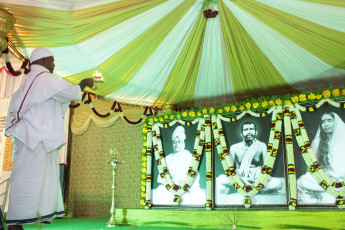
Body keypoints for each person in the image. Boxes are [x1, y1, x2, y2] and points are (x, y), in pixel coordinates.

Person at [5, 47, 94, 230]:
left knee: (29, 180)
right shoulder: (44, 79)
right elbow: (68, 93)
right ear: (44, 61)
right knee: (28, 181)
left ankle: (17, 222)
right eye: (52, 60)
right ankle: (15, 223)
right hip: (35, 139)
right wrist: (83, 84)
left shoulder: (31, 80)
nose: (54, 64)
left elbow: (58, 98)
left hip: (31, 138)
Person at [297, 112, 345, 204]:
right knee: (301, 182)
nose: (326, 124)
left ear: (336, 122)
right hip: (325, 181)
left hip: (343, 181)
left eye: (329, 120)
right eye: (323, 122)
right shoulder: (317, 142)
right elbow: (311, 166)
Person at [152, 126, 205, 205]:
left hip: (187, 188)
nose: (176, 144)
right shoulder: (167, 158)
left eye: (179, 142)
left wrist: (185, 188)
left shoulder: (188, 156)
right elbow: (162, 177)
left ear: (183, 143)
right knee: (158, 193)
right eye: (174, 142)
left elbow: (195, 174)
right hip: (168, 189)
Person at [229, 121, 282, 191]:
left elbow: (266, 167)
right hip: (240, 177)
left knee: (279, 183)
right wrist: (241, 179)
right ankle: (255, 189)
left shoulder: (261, 145)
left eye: (251, 129)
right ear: (241, 134)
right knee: (222, 179)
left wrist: (261, 179)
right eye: (246, 130)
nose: (249, 132)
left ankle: (246, 188)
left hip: (257, 176)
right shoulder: (234, 148)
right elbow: (230, 170)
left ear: (256, 132)